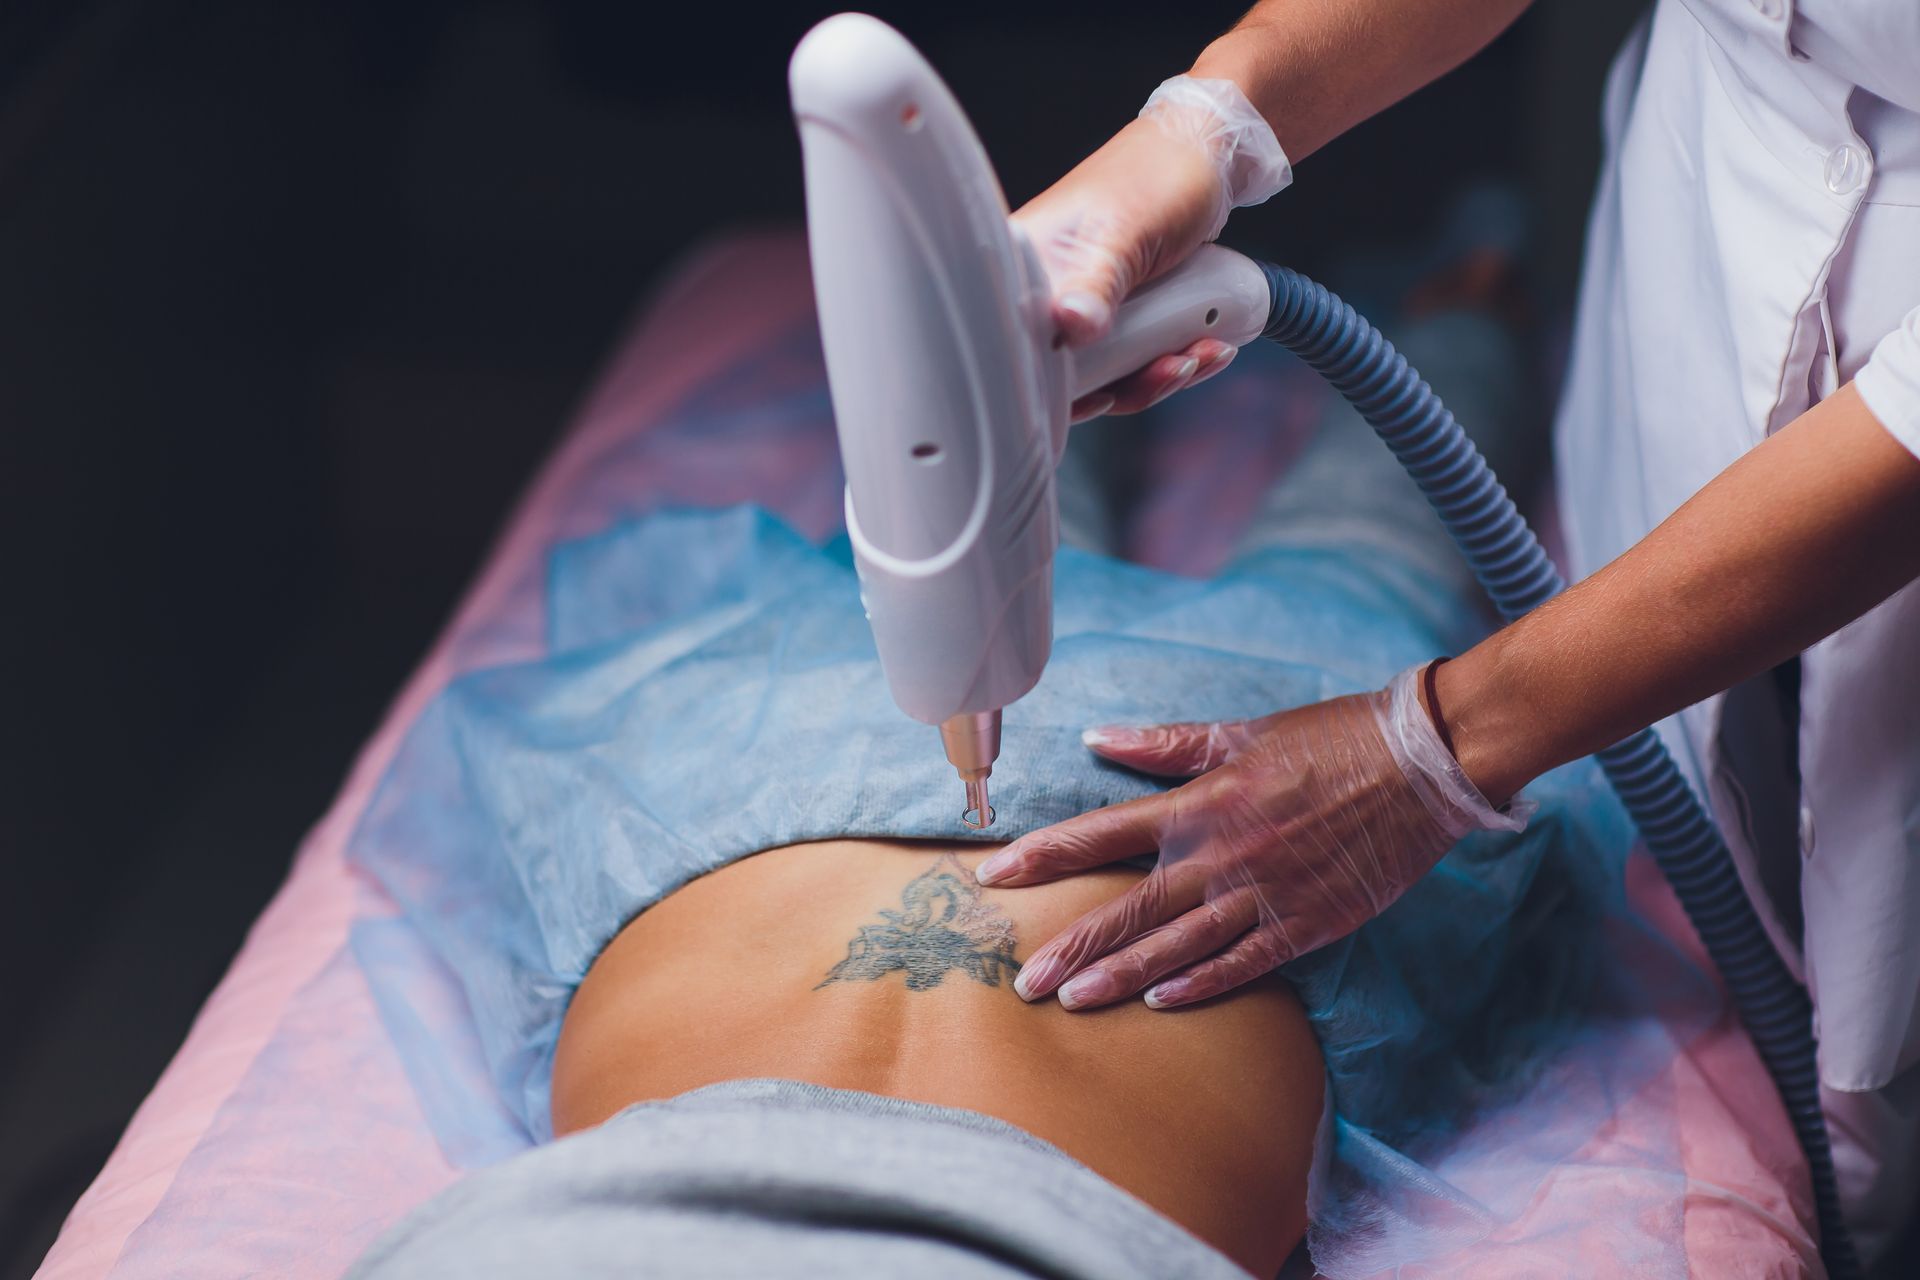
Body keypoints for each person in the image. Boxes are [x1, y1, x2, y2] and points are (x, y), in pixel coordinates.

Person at [346, 277, 1661, 1276]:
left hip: (1172, 834)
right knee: (1035, 519)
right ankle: (1453, 286)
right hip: (772, 786)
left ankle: (1448, 296)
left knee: (1337, 558)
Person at [993, 0, 1920, 1258]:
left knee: (1367, 528)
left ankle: (1474, 287)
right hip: (1726, 188)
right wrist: (1206, 121)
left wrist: (1435, 744)